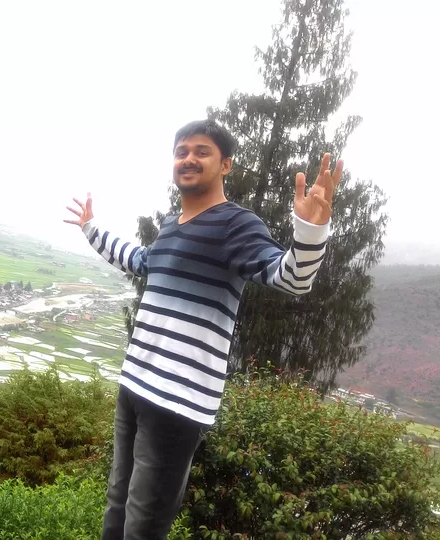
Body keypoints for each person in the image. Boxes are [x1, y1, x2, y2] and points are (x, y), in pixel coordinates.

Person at [64, 119, 342, 539]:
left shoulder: (236, 224)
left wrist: (311, 231)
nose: (188, 158)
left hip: (177, 402)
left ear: (225, 164)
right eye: (181, 152)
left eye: (201, 151)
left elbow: (290, 278)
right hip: (134, 385)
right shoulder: (171, 225)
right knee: (116, 510)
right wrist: (91, 228)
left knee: (143, 524)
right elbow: (140, 260)